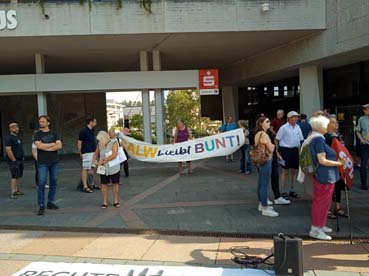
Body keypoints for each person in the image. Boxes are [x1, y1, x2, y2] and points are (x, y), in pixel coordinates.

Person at [306, 115, 345, 240]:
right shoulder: (318, 139)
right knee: (321, 202)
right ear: (321, 126)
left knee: (322, 202)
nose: (328, 126)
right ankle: (316, 228)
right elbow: (322, 160)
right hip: (324, 175)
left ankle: (319, 226)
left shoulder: (315, 138)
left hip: (323, 175)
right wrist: (339, 163)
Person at [34, 115, 63, 216]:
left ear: (48, 123)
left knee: (54, 181)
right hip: (42, 162)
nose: (41, 123)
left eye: (43, 121)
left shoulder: (54, 132)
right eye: (40, 121)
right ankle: (41, 205)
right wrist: (52, 144)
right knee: (41, 183)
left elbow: (59, 146)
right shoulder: (37, 134)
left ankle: (50, 202)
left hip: (54, 161)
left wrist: (45, 147)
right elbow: (39, 146)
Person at [276, 111, 304, 200]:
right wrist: (277, 152)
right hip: (285, 150)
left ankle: (292, 190)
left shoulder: (298, 127)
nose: (296, 119)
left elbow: (301, 140)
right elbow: (277, 139)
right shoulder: (283, 128)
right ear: (289, 118)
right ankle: (283, 191)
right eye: (294, 117)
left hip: (295, 150)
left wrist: (301, 152)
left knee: (294, 171)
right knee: (285, 171)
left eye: (297, 117)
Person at [254, 116, 278, 217]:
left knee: (261, 183)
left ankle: (261, 203)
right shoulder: (264, 134)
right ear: (261, 124)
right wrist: (273, 145)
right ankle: (265, 207)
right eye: (267, 121)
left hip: (260, 160)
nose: (269, 123)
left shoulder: (257, 134)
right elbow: (271, 149)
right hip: (266, 160)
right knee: (264, 184)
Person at [324, 115, 347, 218]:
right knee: (329, 187)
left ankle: (337, 207)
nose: (336, 124)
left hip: (339, 164)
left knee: (338, 185)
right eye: (333, 122)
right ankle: (327, 209)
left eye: (336, 122)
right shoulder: (326, 136)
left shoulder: (339, 135)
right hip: (330, 163)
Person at [94, 131, 120, 208]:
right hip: (103, 167)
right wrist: (95, 161)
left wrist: (105, 160)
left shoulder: (114, 142)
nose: (99, 141)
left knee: (115, 183)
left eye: (100, 139)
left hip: (113, 167)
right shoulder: (99, 144)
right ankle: (104, 201)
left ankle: (115, 200)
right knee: (104, 184)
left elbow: (114, 155)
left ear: (105, 138)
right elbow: (96, 154)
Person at [77, 117, 98, 193]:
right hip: (86, 152)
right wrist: (80, 153)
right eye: (95, 122)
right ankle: (85, 186)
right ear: (90, 122)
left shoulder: (92, 130)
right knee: (85, 168)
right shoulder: (83, 131)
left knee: (92, 168)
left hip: (93, 152)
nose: (96, 123)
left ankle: (91, 184)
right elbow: (79, 143)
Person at [5, 122, 25, 199]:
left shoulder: (17, 137)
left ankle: (16, 190)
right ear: (10, 129)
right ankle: (13, 192)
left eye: (17, 127)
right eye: (14, 127)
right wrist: (14, 160)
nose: (16, 129)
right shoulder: (9, 138)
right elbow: (8, 150)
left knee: (18, 175)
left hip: (20, 160)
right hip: (14, 161)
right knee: (14, 176)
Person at [356, 103, 369, 190]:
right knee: (363, 164)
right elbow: (358, 131)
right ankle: (364, 184)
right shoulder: (361, 119)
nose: (365, 110)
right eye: (364, 109)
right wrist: (361, 139)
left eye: (367, 109)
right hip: (365, 144)